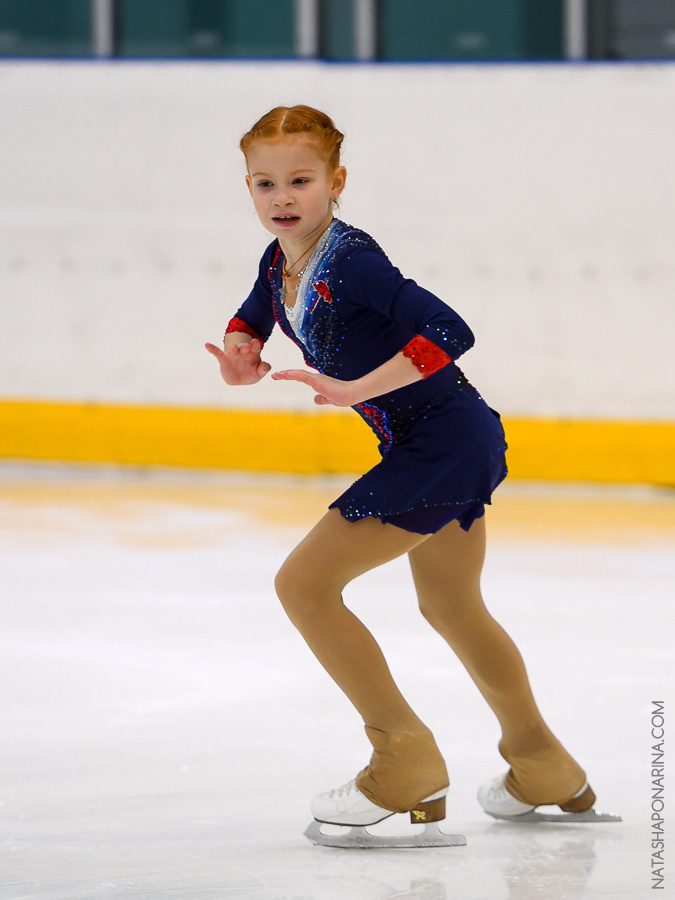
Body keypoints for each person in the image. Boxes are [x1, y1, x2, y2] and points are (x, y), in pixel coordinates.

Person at [205, 105, 600, 838]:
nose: (281, 198)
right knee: (452, 606)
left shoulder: (351, 259)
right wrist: (239, 354)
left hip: (441, 439)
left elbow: (450, 330)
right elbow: (254, 316)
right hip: (441, 439)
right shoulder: (279, 260)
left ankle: (402, 760)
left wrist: (355, 388)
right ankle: (541, 761)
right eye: (264, 184)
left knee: (304, 584)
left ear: (336, 181)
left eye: (299, 180)